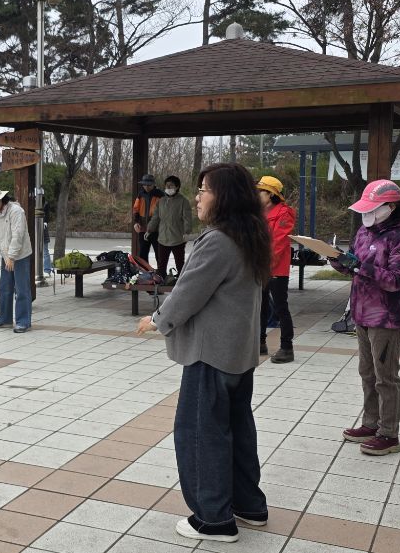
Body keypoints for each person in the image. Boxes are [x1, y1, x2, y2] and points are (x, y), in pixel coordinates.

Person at [137, 163, 271, 543]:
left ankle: (213, 519)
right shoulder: (250, 234)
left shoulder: (217, 241)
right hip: (237, 354)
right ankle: (248, 506)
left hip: (210, 354)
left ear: (224, 196)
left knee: (200, 435)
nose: (197, 197)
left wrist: (157, 320)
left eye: (204, 190)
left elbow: (188, 293)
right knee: (238, 430)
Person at [329, 180, 400, 456]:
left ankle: (389, 434)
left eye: (372, 209)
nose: (366, 214)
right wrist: (339, 260)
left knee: (386, 377)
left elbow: (396, 280)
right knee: (367, 372)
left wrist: (360, 266)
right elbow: (355, 266)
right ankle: (371, 423)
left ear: (390, 207)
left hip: (387, 317)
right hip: (362, 312)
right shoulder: (365, 231)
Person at [0, 185, 32, 333]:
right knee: (5, 288)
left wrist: (12, 256)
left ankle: (23, 321)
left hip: (20, 255)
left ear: (0, 200)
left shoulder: (16, 211)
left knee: (21, 289)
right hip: (6, 255)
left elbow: (18, 235)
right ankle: (5, 318)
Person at [256, 176, 296, 363]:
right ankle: (260, 342)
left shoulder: (284, 213)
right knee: (260, 306)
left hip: (276, 269)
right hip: (261, 266)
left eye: (261, 191)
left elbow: (278, 244)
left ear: (271, 194)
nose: (257, 194)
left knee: (281, 308)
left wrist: (266, 266)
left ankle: (287, 347)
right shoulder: (259, 213)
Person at [145, 174, 192, 279]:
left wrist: (187, 232)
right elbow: (155, 218)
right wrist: (149, 230)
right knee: (161, 264)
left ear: (177, 187)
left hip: (178, 238)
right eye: (166, 186)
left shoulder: (183, 201)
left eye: (171, 186)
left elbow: (187, 218)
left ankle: (181, 281)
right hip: (163, 238)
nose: (168, 188)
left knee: (180, 264)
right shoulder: (161, 201)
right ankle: (161, 281)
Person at [132, 174, 164, 263]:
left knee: (159, 254)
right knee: (143, 253)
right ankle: (144, 270)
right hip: (143, 228)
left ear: (153, 184)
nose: (146, 187)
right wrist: (136, 222)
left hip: (156, 230)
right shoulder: (140, 194)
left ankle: (161, 271)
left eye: (149, 185)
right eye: (144, 184)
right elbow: (136, 209)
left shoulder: (161, 195)